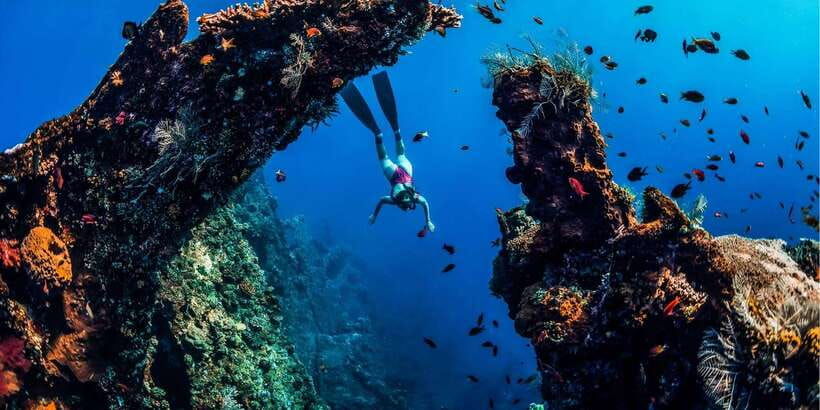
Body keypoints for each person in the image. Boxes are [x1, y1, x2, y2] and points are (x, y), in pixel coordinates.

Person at [340, 72, 435, 234]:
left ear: (400, 205)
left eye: (403, 205)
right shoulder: (416, 199)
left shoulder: (392, 200)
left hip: (393, 177)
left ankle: (378, 134)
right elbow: (425, 204)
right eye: (408, 204)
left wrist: (373, 216)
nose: (405, 202)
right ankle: (396, 131)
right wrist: (428, 221)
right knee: (401, 155)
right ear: (410, 203)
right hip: (407, 173)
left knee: (383, 156)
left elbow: (380, 202)